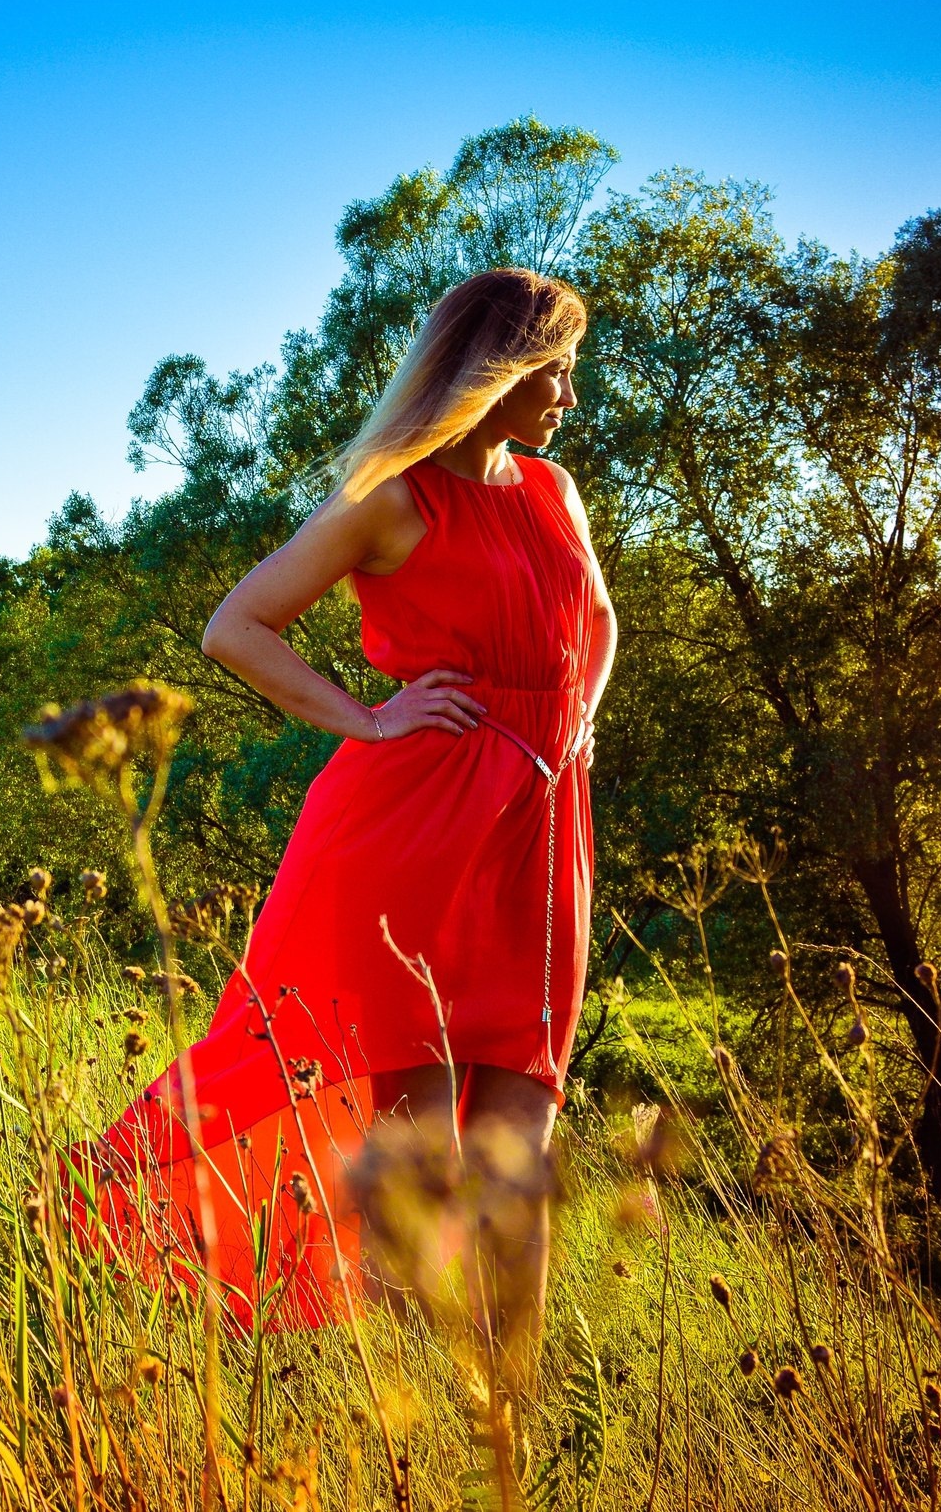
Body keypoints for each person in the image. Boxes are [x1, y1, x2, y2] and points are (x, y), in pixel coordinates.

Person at [85, 267, 615, 1361]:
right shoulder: (391, 496)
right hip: (410, 829)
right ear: (496, 369)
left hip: (543, 825)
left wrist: (576, 724)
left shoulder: (554, 491)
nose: (568, 393)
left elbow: (597, 621)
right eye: (554, 367)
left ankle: (510, 1383)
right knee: (415, 1130)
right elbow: (236, 628)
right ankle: (406, 1382)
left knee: (525, 1104)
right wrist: (367, 721)